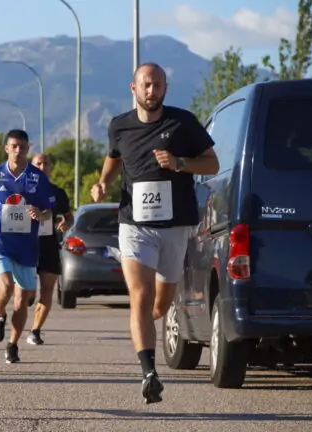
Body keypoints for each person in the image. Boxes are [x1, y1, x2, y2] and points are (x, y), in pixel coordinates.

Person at [91, 62, 219, 404]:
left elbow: (212, 163)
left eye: (158, 85)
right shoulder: (119, 125)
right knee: (141, 296)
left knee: (160, 305)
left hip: (175, 226)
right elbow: (114, 157)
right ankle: (149, 373)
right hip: (134, 224)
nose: (152, 91)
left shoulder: (183, 123)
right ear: (133, 88)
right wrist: (104, 182)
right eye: (146, 85)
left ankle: (145, 332)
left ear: (165, 88)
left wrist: (179, 163)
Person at [0, 129, 55, 364]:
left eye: (22, 147)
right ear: (6, 149)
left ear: (28, 148)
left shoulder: (37, 177)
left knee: (22, 300)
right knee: (7, 286)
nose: (18, 151)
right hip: (0, 242)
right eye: (14, 146)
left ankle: (12, 345)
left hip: (27, 248)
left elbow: (49, 210)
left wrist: (40, 214)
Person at [27, 153, 73, 345]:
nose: (43, 166)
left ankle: (35, 330)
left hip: (48, 245)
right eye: (38, 163)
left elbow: (69, 216)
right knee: (27, 292)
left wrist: (66, 224)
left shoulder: (58, 192)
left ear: (51, 167)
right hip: (26, 246)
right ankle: (27, 297)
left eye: (46, 163)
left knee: (47, 290)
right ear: (32, 166)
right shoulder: (23, 190)